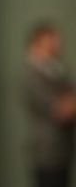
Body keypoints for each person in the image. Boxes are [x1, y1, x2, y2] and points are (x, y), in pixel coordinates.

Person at [24, 22, 76, 187]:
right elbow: (61, 110)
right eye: (51, 42)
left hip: (63, 151)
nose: (56, 47)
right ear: (37, 45)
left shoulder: (57, 70)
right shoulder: (32, 76)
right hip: (48, 154)